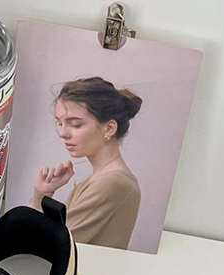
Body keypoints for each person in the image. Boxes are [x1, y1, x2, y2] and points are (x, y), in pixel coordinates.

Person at [30, 77, 142, 250]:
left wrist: (40, 199)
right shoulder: (101, 180)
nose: (62, 133)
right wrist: (43, 194)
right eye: (60, 123)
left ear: (109, 129)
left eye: (75, 124)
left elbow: (50, 246)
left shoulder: (112, 184)